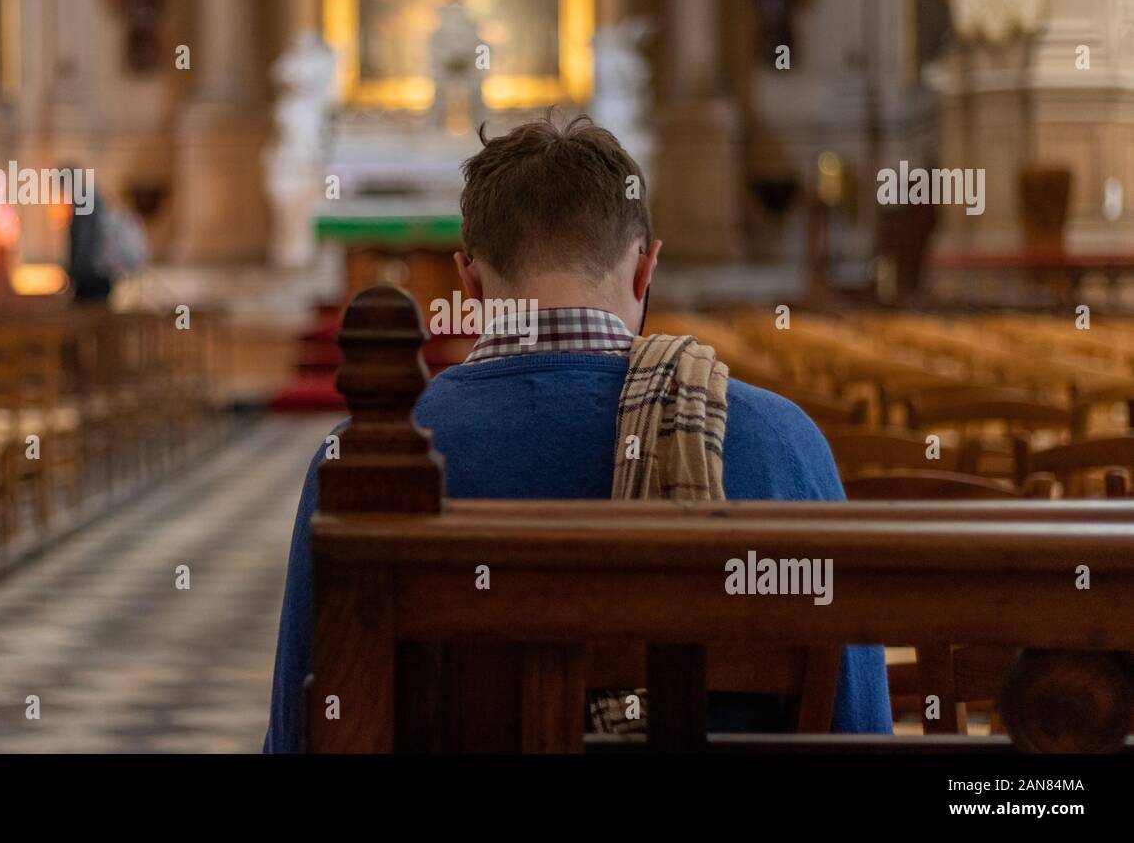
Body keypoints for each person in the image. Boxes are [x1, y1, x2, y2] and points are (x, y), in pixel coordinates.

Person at [265, 115, 891, 752]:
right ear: (646, 270)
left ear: (470, 283)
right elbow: (859, 729)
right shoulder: (786, 442)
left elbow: (301, 734)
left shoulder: (361, 459)